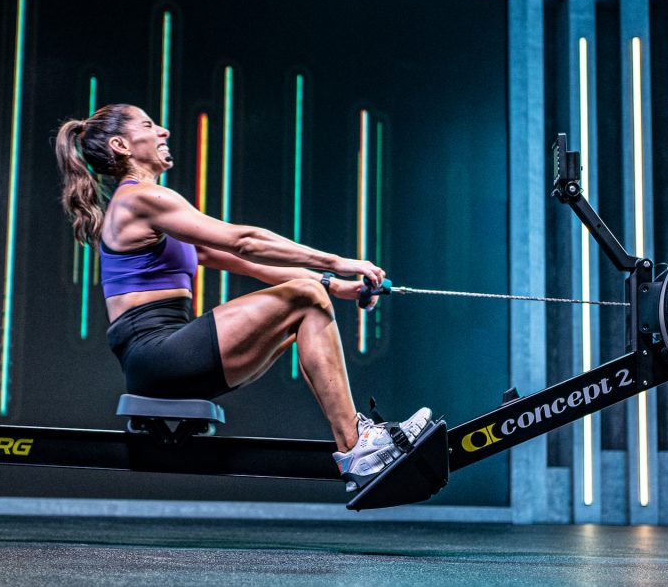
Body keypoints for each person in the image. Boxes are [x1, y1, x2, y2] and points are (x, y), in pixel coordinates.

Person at [54, 103, 430, 491]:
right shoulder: (138, 199)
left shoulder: (151, 207)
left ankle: (359, 446)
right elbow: (245, 242)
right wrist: (338, 261)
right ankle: (358, 447)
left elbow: (244, 263)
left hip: (168, 358)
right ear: (122, 145)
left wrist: (336, 286)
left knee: (309, 303)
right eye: (150, 125)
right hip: (156, 356)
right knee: (304, 296)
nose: (164, 131)